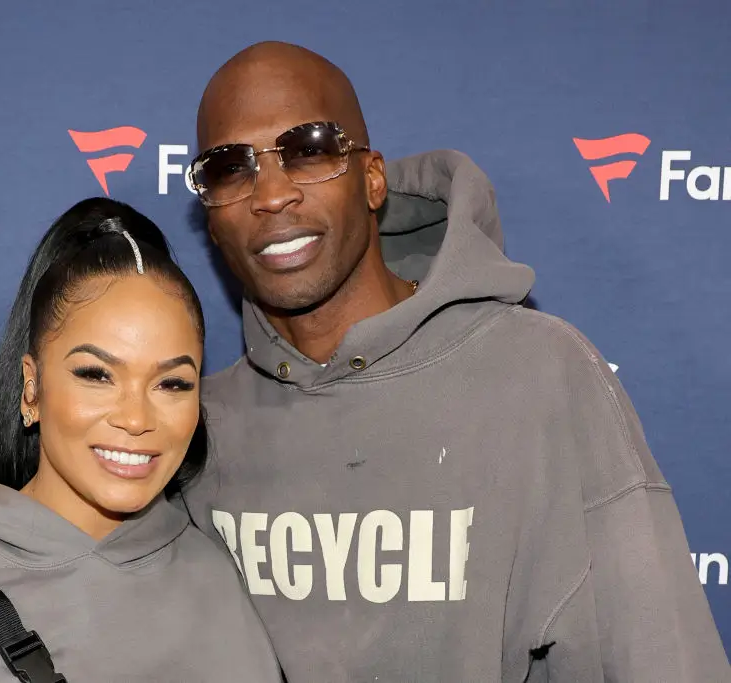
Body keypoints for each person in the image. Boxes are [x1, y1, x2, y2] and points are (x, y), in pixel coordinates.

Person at [181, 41, 730, 682]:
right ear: (210, 216)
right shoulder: (191, 429)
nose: (270, 194)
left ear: (373, 178)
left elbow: (662, 661)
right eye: (229, 168)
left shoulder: (541, 376)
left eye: (308, 150)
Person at [0, 197, 284, 682]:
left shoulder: (214, 583)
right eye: (96, 374)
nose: (136, 418)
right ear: (32, 387)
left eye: (172, 384)